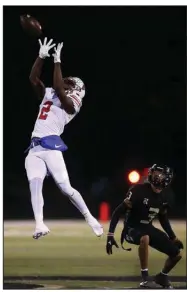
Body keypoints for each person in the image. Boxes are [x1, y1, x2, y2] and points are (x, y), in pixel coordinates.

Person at [25, 37, 103, 239]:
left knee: (66, 188)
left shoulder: (73, 104)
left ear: (76, 90)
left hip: (51, 146)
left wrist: (57, 62)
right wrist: (41, 57)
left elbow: (60, 88)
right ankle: (40, 224)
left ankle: (90, 218)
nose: (64, 84)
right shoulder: (49, 93)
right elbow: (33, 79)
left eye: (69, 83)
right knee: (35, 184)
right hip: (34, 147)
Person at [106, 164, 183, 288]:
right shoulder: (137, 190)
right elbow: (118, 211)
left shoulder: (165, 196)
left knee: (177, 254)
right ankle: (145, 278)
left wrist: (173, 237)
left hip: (148, 228)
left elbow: (163, 218)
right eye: (156, 175)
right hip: (132, 228)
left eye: (161, 176)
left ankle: (162, 276)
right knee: (145, 237)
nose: (158, 178)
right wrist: (110, 234)